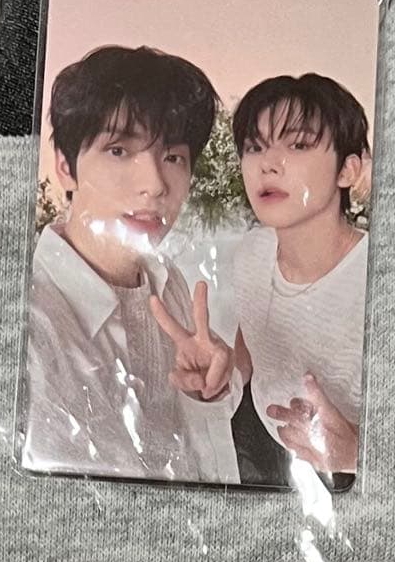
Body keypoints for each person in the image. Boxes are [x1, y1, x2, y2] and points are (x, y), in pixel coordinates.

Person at [21, 45, 241, 483]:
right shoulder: (29, 319)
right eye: (119, 150)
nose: (155, 184)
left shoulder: (166, 281)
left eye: (173, 157)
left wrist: (210, 389)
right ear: (66, 167)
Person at [230, 73, 371, 480]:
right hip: (256, 437)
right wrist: (224, 378)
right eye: (255, 147)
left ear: (347, 170)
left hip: (346, 473)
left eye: (298, 145)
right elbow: (250, 333)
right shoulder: (252, 250)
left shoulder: (380, 281)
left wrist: (357, 454)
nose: (267, 164)